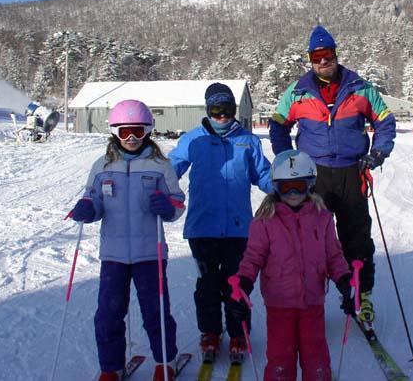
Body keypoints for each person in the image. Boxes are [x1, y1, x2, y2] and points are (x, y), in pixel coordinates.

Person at [268, 25, 396, 328]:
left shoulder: (360, 88)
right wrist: (289, 160)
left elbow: (386, 122)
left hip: (352, 172)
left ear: (336, 55)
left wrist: (377, 153)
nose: (323, 61)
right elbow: (277, 125)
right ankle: (310, 295)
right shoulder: (297, 92)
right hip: (315, 176)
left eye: (328, 55)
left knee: (356, 238)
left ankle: (360, 293)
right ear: (310, 59)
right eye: (317, 56)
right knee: (313, 239)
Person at [71, 99, 186, 381]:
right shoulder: (102, 166)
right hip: (114, 254)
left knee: (156, 313)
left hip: (150, 252)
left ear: (148, 131)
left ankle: (165, 362)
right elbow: (93, 199)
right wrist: (87, 208)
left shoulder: (160, 165)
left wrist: (168, 207)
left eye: (138, 131)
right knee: (108, 314)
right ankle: (111, 367)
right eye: (125, 132)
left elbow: (178, 202)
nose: (132, 138)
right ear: (114, 132)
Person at [168, 82, 273, 365]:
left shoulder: (248, 141)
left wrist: (286, 188)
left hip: (239, 229)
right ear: (207, 111)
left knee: (237, 283)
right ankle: (211, 332)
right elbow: (171, 169)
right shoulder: (194, 140)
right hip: (202, 227)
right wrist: (153, 186)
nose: (222, 116)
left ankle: (238, 333)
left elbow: (263, 175)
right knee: (208, 284)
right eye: (216, 110)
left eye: (227, 109)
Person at [230, 150, 353, 381]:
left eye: (300, 186)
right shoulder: (265, 221)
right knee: (280, 357)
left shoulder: (322, 217)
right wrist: (243, 284)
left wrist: (344, 280)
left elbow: (334, 256)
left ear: (311, 184)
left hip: (312, 302)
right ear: (276, 187)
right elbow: (253, 257)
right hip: (279, 303)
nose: (294, 193)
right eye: (286, 187)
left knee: (316, 355)